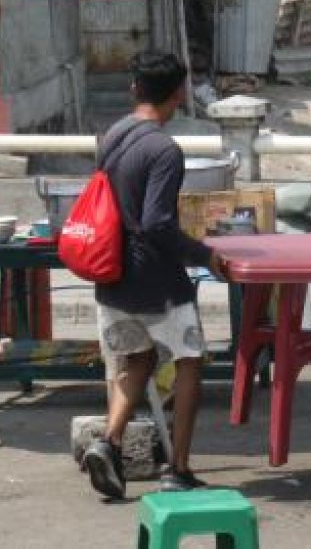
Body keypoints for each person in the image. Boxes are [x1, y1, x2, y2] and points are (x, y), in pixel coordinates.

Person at [81, 52, 228, 499]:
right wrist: (205, 253)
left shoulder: (113, 137)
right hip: (158, 282)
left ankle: (109, 442)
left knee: (138, 360)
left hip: (113, 276)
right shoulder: (164, 149)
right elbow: (157, 222)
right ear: (179, 94)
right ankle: (178, 467)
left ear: (134, 89)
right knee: (187, 362)